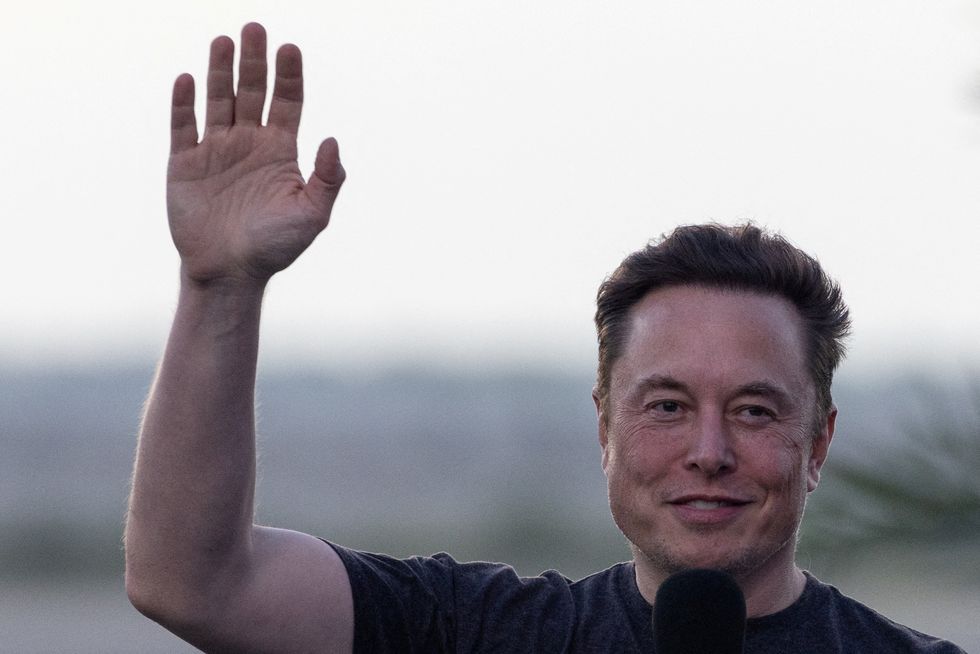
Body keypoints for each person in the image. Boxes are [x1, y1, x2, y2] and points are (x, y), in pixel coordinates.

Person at [124, 22, 966, 653]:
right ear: (604, 427)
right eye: (667, 405)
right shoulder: (475, 632)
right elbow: (192, 581)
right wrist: (219, 287)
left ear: (817, 442)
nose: (709, 451)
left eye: (753, 411)